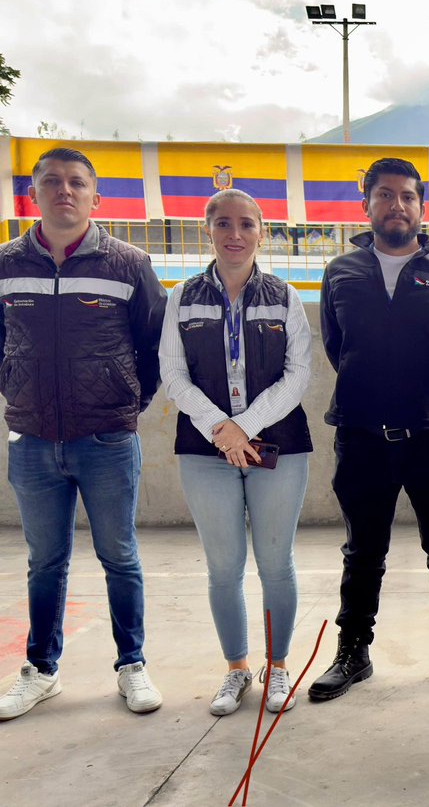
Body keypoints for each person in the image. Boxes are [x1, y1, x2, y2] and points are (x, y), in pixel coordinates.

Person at [0, 147, 167, 720]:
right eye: (52, 182)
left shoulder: (129, 264)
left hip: (107, 441)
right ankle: (42, 671)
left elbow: (154, 348)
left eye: (76, 183)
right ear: (34, 194)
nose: (64, 191)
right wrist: (17, 393)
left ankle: (132, 665)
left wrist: (125, 407)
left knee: (119, 556)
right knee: (45, 561)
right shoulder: (6, 263)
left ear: (96, 197)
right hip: (33, 440)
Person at [310, 158, 429, 701]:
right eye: (385, 195)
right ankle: (353, 651)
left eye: (408, 196)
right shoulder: (340, 271)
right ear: (366, 204)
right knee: (363, 550)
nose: (397, 205)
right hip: (361, 433)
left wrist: (421, 389)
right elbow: (337, 345)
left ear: (421, 207)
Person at [159, 189, 312, 716]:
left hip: (279, 447)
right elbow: (173, 375)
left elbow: (298, 377)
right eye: (223, 223)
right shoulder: (182, 297)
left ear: (262, 233)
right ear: (208, 230)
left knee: (276, 563)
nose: (235, 233)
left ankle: (278, 667)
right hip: (204, 449)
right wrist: (218, 428)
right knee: (223, 566)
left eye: (247, 224)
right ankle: (237, 670)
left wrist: (243, 427)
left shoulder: (285, 297)